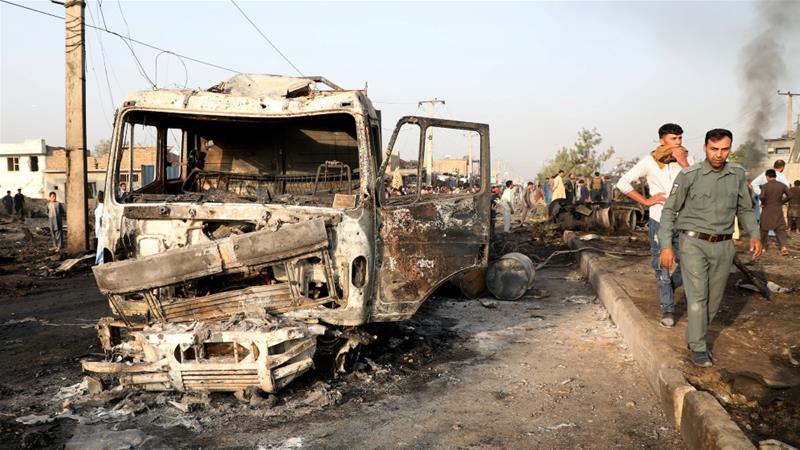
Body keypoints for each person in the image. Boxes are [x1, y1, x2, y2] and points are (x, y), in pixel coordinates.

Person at [659, 128, 762, 368]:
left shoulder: (736, 174)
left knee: (713, 301)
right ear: (705, 148)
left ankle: (695, 336)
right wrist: (666, 246)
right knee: (698, 298)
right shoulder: (689, 175)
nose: (718, 155)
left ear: (730, 149)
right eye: (714, 149)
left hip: (724, 245)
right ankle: (698, 346)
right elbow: (668, 211)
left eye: (724, 149)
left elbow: (745, 209)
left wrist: (754, 234)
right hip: (693, 243)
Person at [616, 123, 692, 328]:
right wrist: (646, 201)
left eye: (680, 139)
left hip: (684, 220)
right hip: (660, 220)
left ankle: (668, 287)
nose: (677, 143)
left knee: (690, 263)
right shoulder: (649, 162)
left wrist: (683, 161)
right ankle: (667, 307)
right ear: (662, 141)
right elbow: (622, 183)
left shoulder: (688, 159)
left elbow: (697, 184)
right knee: (662, 266)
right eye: (673, 139)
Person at [759, 169, 790, 255]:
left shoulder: (765, 186)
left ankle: (763, 247)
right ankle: (783, 247)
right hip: (778, 209)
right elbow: (790, 195)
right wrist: (782, 202)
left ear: (767, 177)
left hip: (767, 209)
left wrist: (763, 203)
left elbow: (761, 196)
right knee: (780, 229)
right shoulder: (782, 185)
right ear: (775, 176)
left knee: (764, 229)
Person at [95, 191, 105, 264]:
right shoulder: (103, 208)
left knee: (100, 246)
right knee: (101, 246)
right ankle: (100, 261)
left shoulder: (99, 207)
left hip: (99, 229)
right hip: (102, 229)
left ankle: (99, 260)